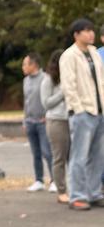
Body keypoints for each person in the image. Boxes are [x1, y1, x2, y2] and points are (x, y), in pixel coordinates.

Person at [59, 18, 104, 211]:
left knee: (98, 155)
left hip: (99, 110)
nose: (91, 34)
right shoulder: (69, 55)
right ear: (76, 34)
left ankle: (94, 193)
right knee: (79, 156)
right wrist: (78, 109)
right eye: (86, 30)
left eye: (91, 30)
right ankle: (77, 195)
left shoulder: (94, 52)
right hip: (82, 113)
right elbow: (69, 86)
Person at [40, 50, 70, 204]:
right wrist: (62, 93)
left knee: (74, 157)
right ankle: (61, 191)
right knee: (59, 157)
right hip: (56, 121)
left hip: (71, 119)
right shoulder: (48, 80)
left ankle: (76, 188)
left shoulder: (69, 77)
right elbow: (46, 103)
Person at [22, 53, 53, 192]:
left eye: (25, 64)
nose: (23, 67)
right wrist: (24, 120)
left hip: (43, 122)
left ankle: (55, 181)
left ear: (33, 65)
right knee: (36, 153)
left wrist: (47, 115)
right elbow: (26, 101)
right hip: (30, 121)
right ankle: (39, 180)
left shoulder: (46, 78)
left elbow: (50, 98)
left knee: (47, 152)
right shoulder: (26, 80)